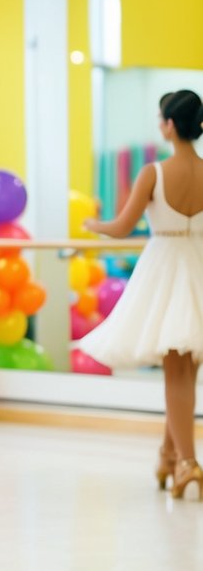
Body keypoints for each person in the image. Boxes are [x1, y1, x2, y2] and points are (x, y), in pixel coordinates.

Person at [79, 88, 203, 500]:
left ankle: (188, 464)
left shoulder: (154, 172)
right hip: (197, 264)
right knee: (188, 368)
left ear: (169, 125)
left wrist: (92, 225)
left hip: (165, 267)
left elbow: (121, 226)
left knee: (175, 370)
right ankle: (170, 454)